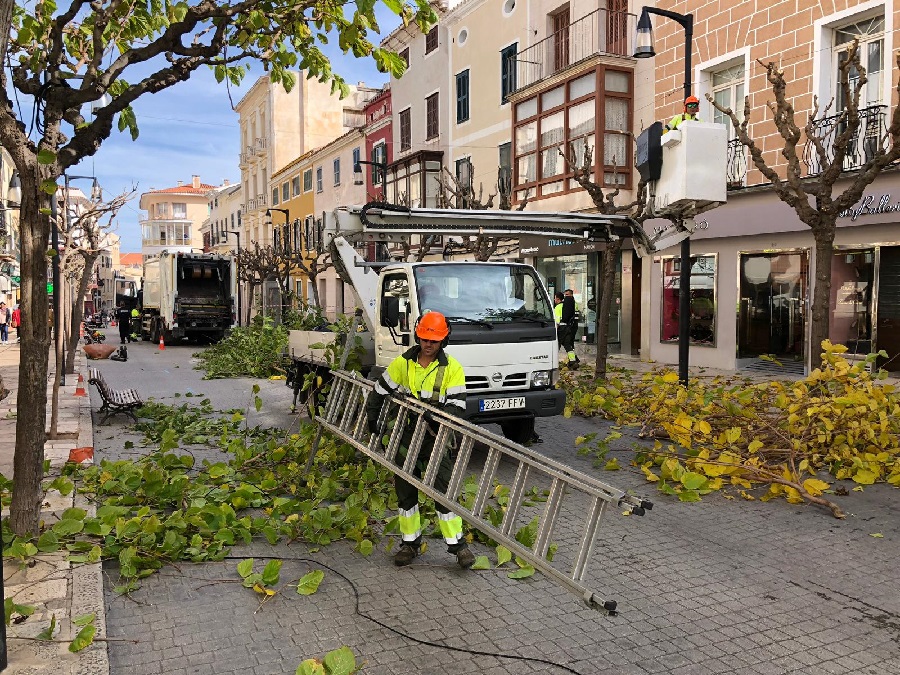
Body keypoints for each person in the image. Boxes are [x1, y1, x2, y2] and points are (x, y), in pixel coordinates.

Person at [365, 311, 475, 569]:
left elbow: (458, 407)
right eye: (425, 339)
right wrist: (372, 416)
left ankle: (458, 546)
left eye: (434, 341)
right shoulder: (403, 363)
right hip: (405, 434)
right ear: (418, 337)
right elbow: (380, 390)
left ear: (443, 341)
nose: (428, 345)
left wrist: (437, 416)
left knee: (443, 490)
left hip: (437, 437)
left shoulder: (453, 368)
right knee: (405, 491)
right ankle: (410, 543)